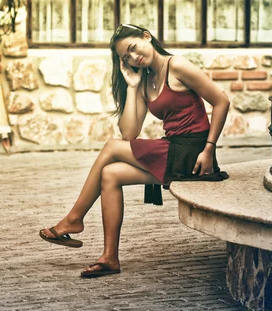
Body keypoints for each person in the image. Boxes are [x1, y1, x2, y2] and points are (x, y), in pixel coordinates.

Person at [39, 23, 230, 278]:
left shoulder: (178, 66)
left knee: (111, 148)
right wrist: (131, 87)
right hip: (174, 151)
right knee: (111, 174)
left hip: (193, 152)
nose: (134, 57)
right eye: (126, 58)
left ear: (146, 37)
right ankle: (109, 258)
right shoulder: (145, 81)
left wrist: (208, 149)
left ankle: (74, 218)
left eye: (133, 48)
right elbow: (129, 133)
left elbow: (222, 101)